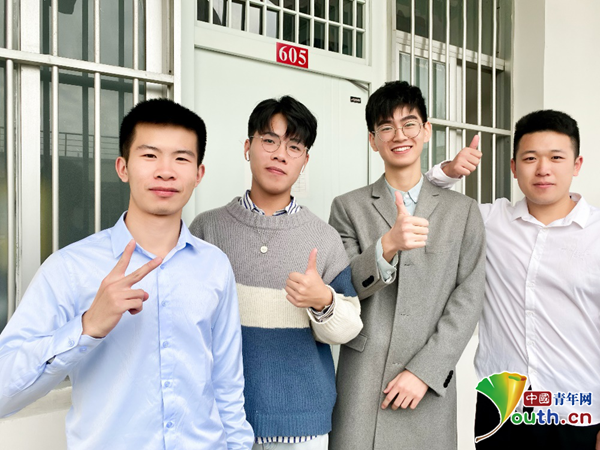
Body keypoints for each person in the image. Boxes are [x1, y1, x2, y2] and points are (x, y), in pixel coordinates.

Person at [0, 99, 254, 450]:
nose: (166, 171)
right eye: (149, 155)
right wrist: (86, 327)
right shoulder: (70, 268)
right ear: (123, 167)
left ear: (198, 174)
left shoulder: (214, 265)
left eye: (181, 158)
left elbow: (227, 383)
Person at [189, 95, 362, 450]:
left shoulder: (324, 238)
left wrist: (324, 301)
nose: (280, 154)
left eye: (294, 146)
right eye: (269, 140)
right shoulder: (207, 229)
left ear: (305, 160)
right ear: (247, 147)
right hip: (220, 420)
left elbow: (349, 328)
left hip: (302, 425)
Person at [427, 109, 600, 449]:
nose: (543, 169)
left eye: (556, 157)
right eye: (530, 158)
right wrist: (448, 172)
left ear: (577, 165)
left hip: (576, 411)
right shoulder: (489, 221)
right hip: (502, 409)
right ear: (514, 166)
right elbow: (419, 206)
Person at [328, 81, 486, 450]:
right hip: (363, 385)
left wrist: (425, 371)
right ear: (373, 140)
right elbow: (341, 287)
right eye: (386, 127)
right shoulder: (348, 207)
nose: (399, 135)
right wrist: (387, 245)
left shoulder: (462, 212)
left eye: (409, 124)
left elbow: (469, 298)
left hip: (427, 389)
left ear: (426, 130)